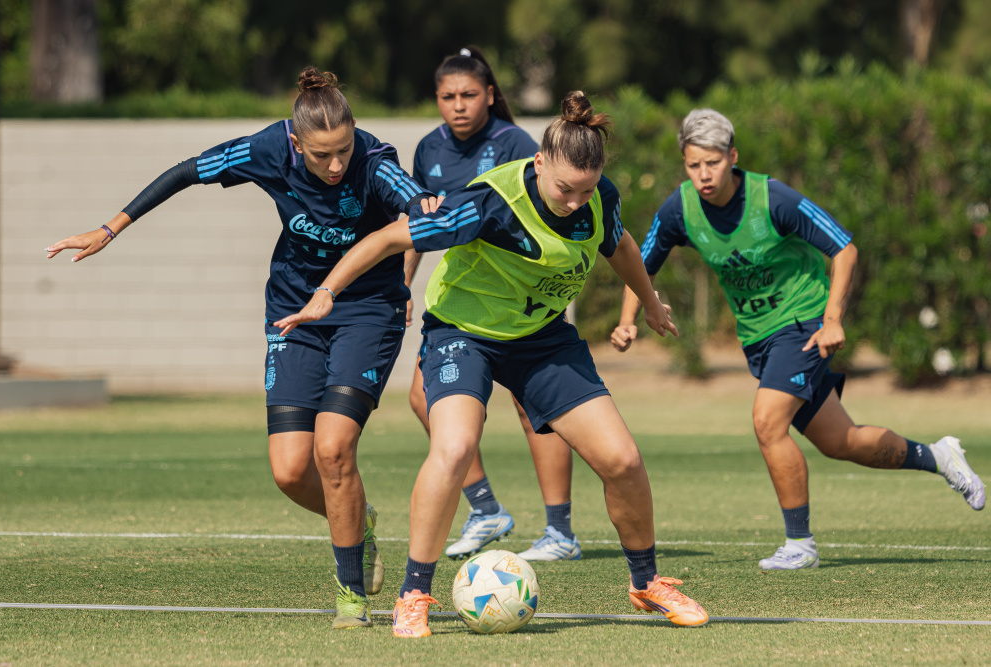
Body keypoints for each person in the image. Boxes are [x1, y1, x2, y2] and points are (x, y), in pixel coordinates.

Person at [275, 91, 711, 637]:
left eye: (585, 189)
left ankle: (647, 583)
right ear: (539, 163)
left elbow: (617, 241)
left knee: (622, 459)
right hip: (464, 335)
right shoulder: (488, 202)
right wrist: (326, 292)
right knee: (454, 447)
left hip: (543, 339)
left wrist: (648, 301)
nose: (576, 201)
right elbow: (389, 237)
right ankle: (414, 593)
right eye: (564, 189)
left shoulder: (598, 197)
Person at [46, 67, 440, 628]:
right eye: (322, 155)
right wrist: (109, 230)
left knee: (332, 448)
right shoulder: (264, 149)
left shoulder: (373, 160)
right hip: (292, 310)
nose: (336, 165)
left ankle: (350, 596)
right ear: (296, 142)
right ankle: (358, 520)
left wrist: (424, 201)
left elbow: (405, 190)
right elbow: (186, 172)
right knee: (288, 470)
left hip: (368, 310)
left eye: (343, 150)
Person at [612, 108, 986, 571]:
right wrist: (630, 319)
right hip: (760, 340)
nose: (704, 175)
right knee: (841, 441)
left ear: (732, 157)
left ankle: (800, 544)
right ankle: (939, 456)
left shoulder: (772, 198)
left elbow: (844, 248)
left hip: (803, 323)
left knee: (768, 421)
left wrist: (832, 319)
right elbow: (639, 264)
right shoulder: (680, 209)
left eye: (713, 162)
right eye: (693, 165)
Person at [406, 46, 581, 562]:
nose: (457, 105)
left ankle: (560, 533)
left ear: (489, 96)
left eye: (468, 95)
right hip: (466, 300)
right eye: (447, 96)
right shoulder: (427, 149)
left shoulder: (515, 144)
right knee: (423, 398)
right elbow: (419, 225)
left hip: (526, 295)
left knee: (536, 412)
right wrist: (403, 284)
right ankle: (486, 510)